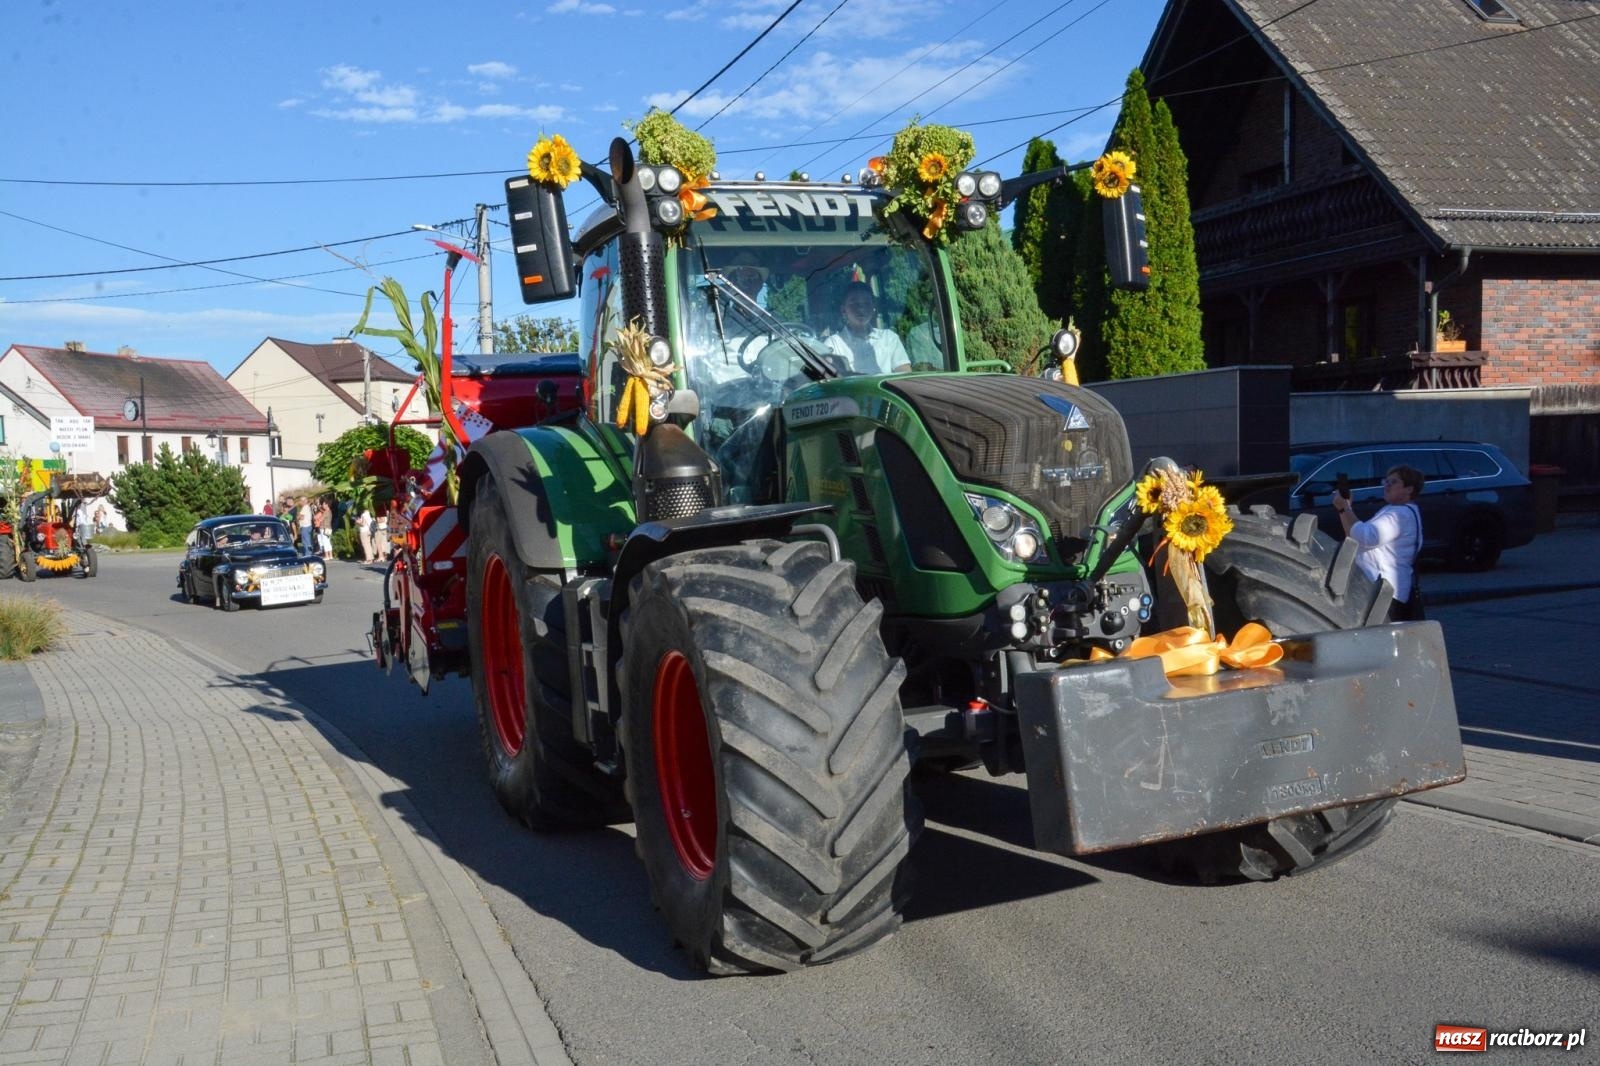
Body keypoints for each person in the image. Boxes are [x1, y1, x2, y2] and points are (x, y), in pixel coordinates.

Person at [1333, 464, 1425, 620]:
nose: (1387, 485)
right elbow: (1354, 537)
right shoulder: (1394, 510)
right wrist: (1344, 509)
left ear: (1409, 489)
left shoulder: (1399, 514)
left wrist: (1346, 509)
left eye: (1394, 482)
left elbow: (1366, 537)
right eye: (1386, 481)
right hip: (1382, 592)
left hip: (1384, 594)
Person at [826, 282, 910, 374]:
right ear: (843, 310)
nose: (861, 309)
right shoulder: (833, 344)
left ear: (874, 307)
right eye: (854, 303)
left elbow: (904, 374)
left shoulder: (889, 338)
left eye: (866, 303)